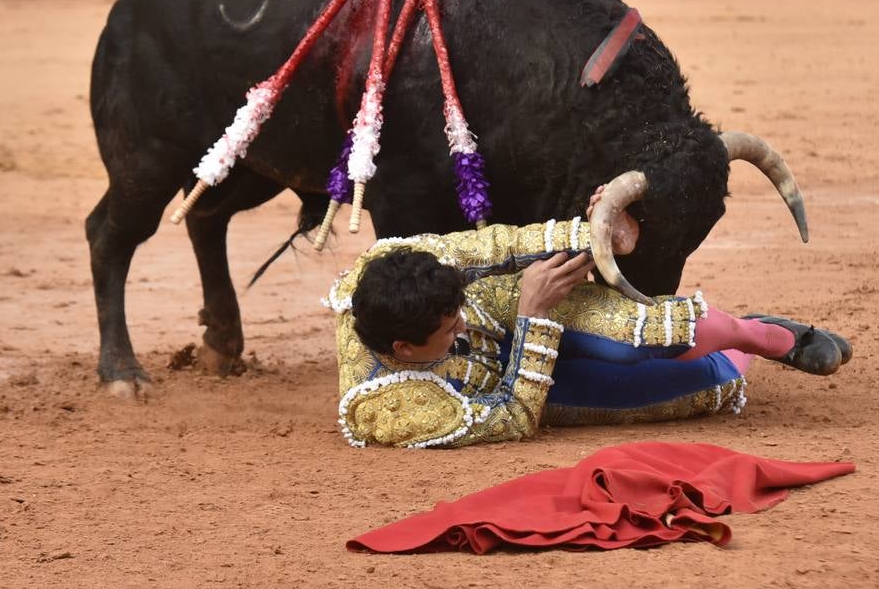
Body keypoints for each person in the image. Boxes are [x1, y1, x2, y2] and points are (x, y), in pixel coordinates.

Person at [325, 188, 851, 449]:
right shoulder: (385, 409)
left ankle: (754, 332)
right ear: (405, 352)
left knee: (631, 339)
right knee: (694, 389)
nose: (462, 325)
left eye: (457, 313)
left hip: (511, 301)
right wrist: (534, 321)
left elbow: (497, 247)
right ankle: (734, 350)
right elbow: (510, 417)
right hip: (522, 385)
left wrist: (594, 236)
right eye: (448, 329)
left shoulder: (390, 267)